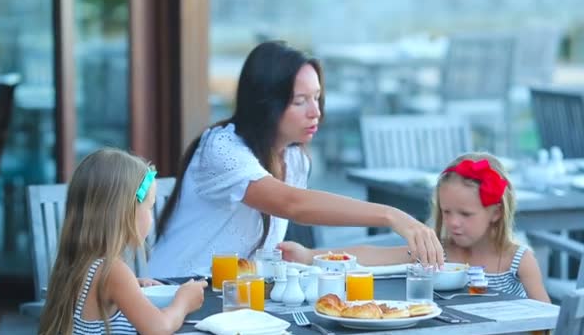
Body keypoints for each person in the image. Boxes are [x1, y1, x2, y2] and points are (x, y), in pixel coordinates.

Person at [148, 40, 443, 278]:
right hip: (172, 296)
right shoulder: (222, 148)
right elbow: (293, 205)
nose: (315, 111)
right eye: (300, 101)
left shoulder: (294, 157)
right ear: (267, 104)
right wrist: (392, 215)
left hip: (234, 300)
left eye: (317, 97)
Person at [278, 152, 551, 302]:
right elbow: (372, 255)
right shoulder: (438, 252)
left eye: (466, 214)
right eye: (446, 211)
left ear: (495, 213)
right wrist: (308, 254)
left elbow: (546, 322)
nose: (453, 222)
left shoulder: (517, 260)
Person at [38, 148, 207, 335]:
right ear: (125, 212)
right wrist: (183, 301)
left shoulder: (79, 263)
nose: (152, 218)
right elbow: (159, 329)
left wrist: (132, 285)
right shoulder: (112, 271)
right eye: (149, 207)